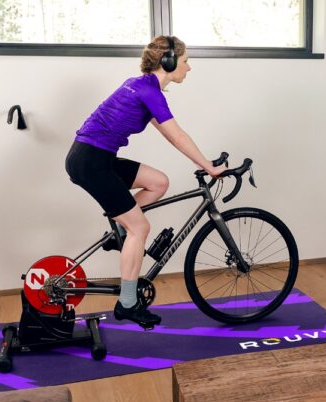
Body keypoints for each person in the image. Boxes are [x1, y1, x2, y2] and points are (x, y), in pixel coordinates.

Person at [65, 35, 224, 328]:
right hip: (91, 163)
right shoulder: (148, 91)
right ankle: (127, 302)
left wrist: (205, 162)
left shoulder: (144, 87)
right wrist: (209, 168)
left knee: (158, 182)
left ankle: (120, 232)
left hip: (97, 158)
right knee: (140, 227)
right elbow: (176, 136)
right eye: (186, 61)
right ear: (169, 61)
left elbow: (168, 131)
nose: (189, 68)